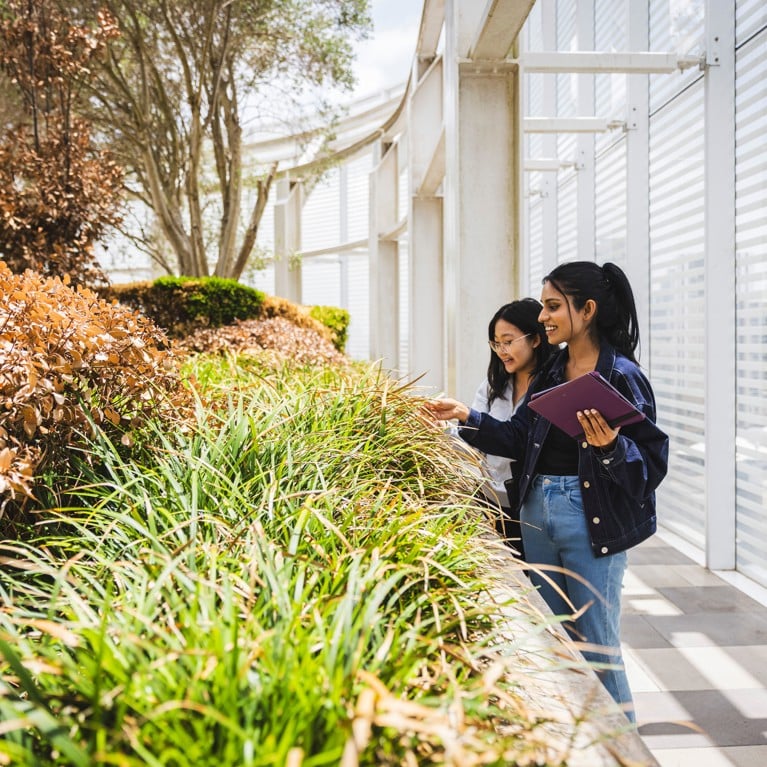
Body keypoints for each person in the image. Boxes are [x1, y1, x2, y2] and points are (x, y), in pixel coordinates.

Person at [426, 261, 669, 724]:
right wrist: (466, 416)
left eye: (553, 306)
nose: (543, 317)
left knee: (596, 642)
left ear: (588, 309)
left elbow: (651, 466)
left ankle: (623, 751)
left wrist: (612, 448)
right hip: (536, 511)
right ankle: (572, 741)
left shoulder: (622, 375)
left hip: (590, 517)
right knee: (550, 638)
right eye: (543, 306)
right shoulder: (553, 369)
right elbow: (519, 437)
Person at [469, 298, 554, 558]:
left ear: (536, 339)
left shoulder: (551, 386)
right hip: (491, 502)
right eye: (496, 343)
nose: (501, 350)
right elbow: (471, 436)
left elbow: (517, 440)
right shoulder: (493, 385)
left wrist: (465, 417)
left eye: (508, 341)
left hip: (534, 509)